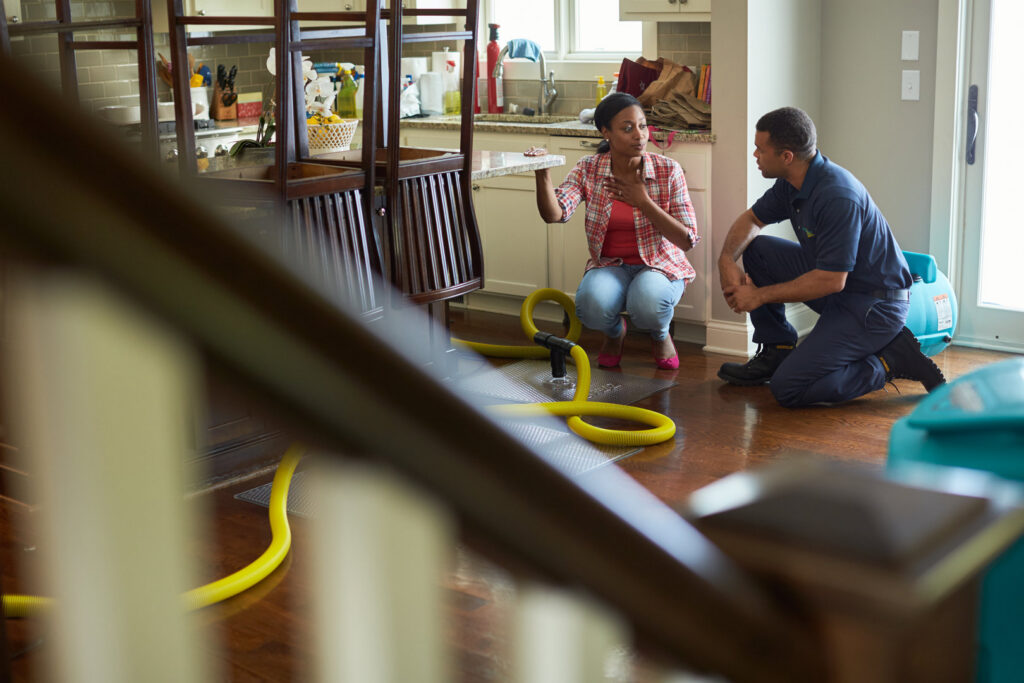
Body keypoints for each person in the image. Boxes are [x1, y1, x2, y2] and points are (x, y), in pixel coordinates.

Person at [716, 106, 945, 407]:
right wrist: (726, 260)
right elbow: (752, 220)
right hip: (841, 287)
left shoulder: (837, 195)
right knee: (757, 250)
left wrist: (759, 296)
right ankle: (778, 350)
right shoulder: (792, 182)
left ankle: (889, 361)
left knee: (788, 388)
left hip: (874, 304)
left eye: (760, 150)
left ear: (786, 156)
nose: (755, 156)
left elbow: (831, 280)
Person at [531, 92, 699, 370]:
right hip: (611, 265)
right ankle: (614, 333)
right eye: (627, 128)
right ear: (605, 132)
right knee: (589, 308)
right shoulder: (589, 168)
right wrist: (542, 173)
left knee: (647, 304)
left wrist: (643, 201)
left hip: (660, 266)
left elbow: (687, 239)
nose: (639, 135)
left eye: (643, 126)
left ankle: (659, 335)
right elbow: (555, 214)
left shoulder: (668, 170)